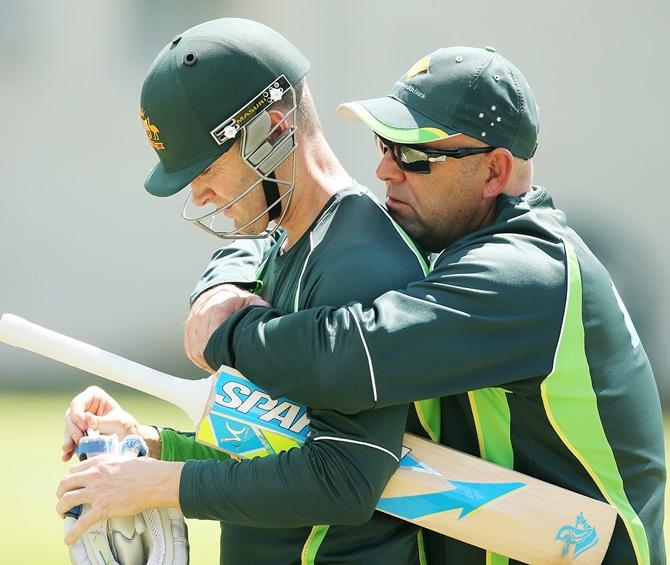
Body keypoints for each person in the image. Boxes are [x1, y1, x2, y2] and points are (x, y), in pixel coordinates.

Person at [183, 46, 666, 564]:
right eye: (385, 144)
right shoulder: (465, 239)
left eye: (415, 155)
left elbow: (346, 357)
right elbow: (287, 229)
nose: (385, 169)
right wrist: (220, 285)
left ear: (494, 171)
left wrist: (228, 332)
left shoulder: (521, 275)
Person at [57, 18, 432, 565]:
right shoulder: (287, 242)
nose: (200, 194)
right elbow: (275, 444)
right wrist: (148, 444)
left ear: (273, 129)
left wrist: (161, 484)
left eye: (205, 167)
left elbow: (345, 478)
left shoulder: (361, 264)